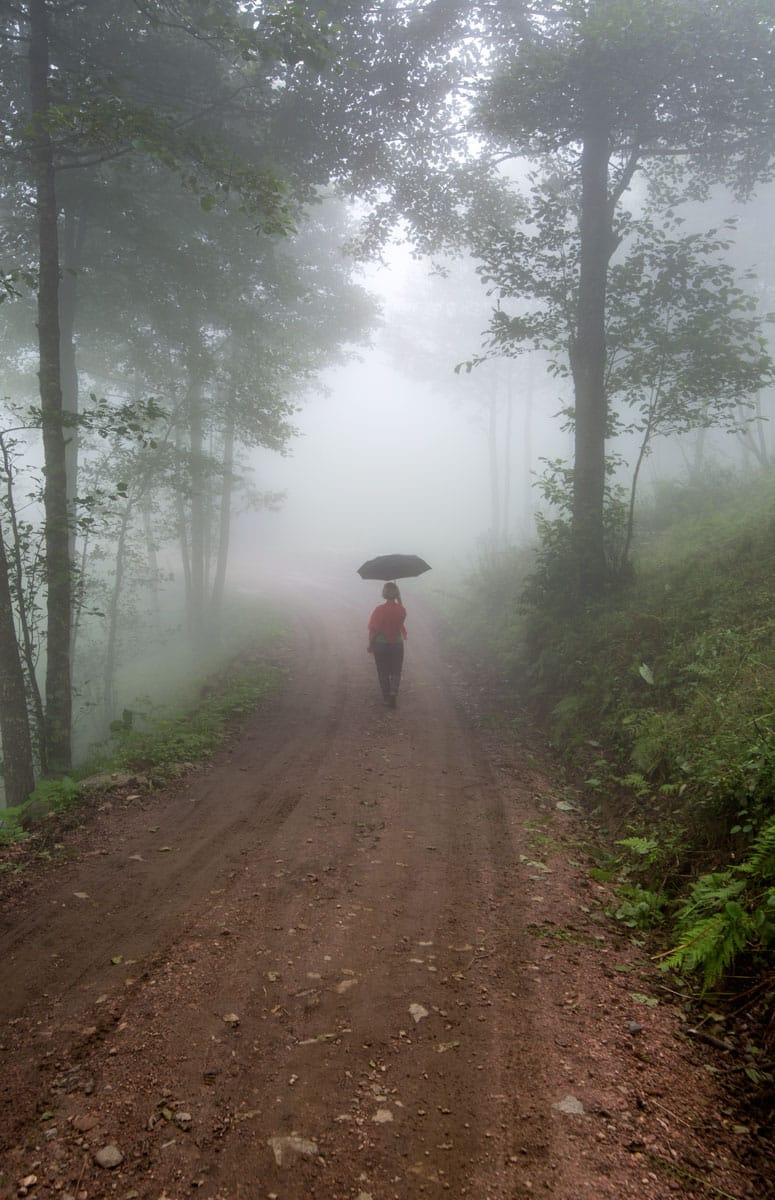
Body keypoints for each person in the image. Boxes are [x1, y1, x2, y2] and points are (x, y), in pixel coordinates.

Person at [367, 581, 407, 707]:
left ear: (384, 593)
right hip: (397, 644)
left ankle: (386, 697)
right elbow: (402, 614)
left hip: (381, 645)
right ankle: (393, 692)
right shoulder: (401, 610)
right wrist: (399, 599)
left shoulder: (379, 610)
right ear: (396, 593)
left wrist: (370, 643)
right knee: (396, 670)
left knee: (382, 671)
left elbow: (374, 629)